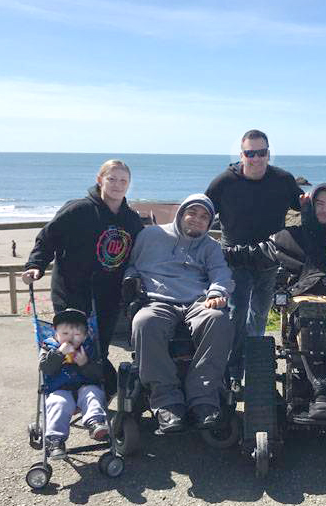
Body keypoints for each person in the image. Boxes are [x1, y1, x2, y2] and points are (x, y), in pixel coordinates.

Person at [224, 184, 326, 419]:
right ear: (309, 207)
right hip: (305, 303)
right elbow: (251, 253)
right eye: (319, 204)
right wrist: (214, 252)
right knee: (312, 314)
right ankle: (321, 390)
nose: (325, 211)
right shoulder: (289, 238)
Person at [125, 194, 235, 433]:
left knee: (218, 320)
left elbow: (221, 274)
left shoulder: (211, 247)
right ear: (181, 213)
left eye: (204, 216)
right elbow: (131, 264)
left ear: (209, 223)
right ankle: (166, 402)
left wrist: (216, 292)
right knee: (144, 322)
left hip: (197, 300)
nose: (197, 220)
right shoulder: (150, 236)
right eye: (192, 213)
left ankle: (204, 400)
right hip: (157, 299)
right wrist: (130, 280)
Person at [206, 129, 303, 391]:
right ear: (242, 155)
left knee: (259, 315)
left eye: (261, 153)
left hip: (269, 257)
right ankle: (234, 373)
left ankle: (253, 365)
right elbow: (201, 212)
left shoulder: (283, 179)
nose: (256, 158)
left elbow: (305, 206)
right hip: (233, 257)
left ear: (268, 153)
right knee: (236, 314)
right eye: (250, 153)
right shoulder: (224, 182)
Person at [22, 159, 143, 368]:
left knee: (98, 349)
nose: (117, 184)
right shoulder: (78, 209)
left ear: (129, 184)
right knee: (71, 345)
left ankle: (94, 392)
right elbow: (47, 238)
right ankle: (66, 391)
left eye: (123, 180)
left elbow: (141, 252)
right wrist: (36, 265)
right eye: (111, 179)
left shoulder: (131, 219)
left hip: (109, 294)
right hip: (72, 290)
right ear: (100, 180)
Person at [40, 308, 109, 460]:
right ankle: (56, 440)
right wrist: (59, 353)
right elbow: (46, 369)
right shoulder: (49, 347)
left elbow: (99, 375)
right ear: (55, 333)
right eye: (65, 334)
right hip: (60, 390)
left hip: (83, 388)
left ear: (85, 336)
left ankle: (95, 423)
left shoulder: (89, 349)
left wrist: (85, 364)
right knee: (58, 402)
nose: (70, 338)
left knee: (94, 392)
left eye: (77, 334)